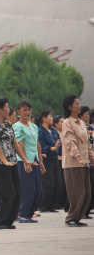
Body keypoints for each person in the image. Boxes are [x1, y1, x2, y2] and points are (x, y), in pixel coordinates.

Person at [0, 97, 30, 230]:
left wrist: (25, 160)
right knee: (8, 193)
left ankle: (8, 221)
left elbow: (15, 144)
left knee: (17, 193)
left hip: (12, 162)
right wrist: (4, 161)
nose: (8, 109)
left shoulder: (8, 124)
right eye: (6, 107)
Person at [61, 95, 94, 227]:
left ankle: (77, 218)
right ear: (70, 107)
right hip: (73, 163)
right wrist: (78, 157)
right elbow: (69, 142)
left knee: (87, 193)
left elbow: (87, 144)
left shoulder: (81, 123)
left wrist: (91, 157)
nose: (79, 106)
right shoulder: (67, 123)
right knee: (77, 193)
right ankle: (71, 218)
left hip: (84, 162)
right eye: (76, 104)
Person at [13, 100, 45, 223]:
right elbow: (20, 145)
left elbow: (38, 145)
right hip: (23, 161)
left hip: (35, 159)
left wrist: (41, 162)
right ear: (18, 112)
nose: (27, 112)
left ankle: (30, 213)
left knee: (37, 190)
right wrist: (26, 161)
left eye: (29, 110)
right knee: (27, 189)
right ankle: (22, 214)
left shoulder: (33, 126)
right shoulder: (17, 127)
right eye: (24, 110)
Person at [36, 110, 61, 213]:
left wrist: (56, 149)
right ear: (44, 118)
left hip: (55, 158)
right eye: (50, 116)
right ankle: (43, 206)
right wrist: (52, 148)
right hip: (46, 159)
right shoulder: (40, 131)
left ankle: (52, 205)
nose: (52, 118)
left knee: (58, 183)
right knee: (48, 183)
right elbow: (41, 146)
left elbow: (59, 144)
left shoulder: (54, 131)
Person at [79, 106, 94, 219]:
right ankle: (81, 211)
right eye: (86, 114)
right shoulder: (77, 125)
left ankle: (87, 210)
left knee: (90, 187)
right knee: (82, 188)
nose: (88, 116)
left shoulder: (88, 127)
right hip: (80, 160)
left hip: (89, 159)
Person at [53, 115, 67, 211]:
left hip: (65, 159)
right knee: (60, 182)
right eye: (61, 122)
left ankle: (62, 202)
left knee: (64, 182)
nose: (63, 124)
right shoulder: (55, 133)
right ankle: (58, 203)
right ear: (56, 124)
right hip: (58, 159)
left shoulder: (66, 132)